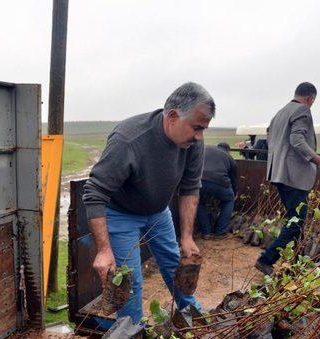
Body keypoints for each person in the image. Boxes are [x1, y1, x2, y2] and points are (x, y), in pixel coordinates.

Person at [82, 82, 215, 324]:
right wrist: (103, 250)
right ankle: (131, 336)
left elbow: (190, 187)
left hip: (158, 212)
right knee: (129, 284)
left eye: (203, 129)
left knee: (176, 264)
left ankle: (195, 317)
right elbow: (94, 192)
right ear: (172, 117)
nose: (199, 136)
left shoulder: (193, 142)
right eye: (196, 128)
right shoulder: (129, 140)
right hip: (120, 213)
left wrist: (186, 236)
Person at [255, 82, 320, 275]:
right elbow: (297, 140)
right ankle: (266, 259)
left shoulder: (281, 112)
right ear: (311, 98)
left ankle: (296, 260)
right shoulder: (302, 110)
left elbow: (271, 138)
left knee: (295, 218)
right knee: (295, 221)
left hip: (279, 173)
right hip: (293, 176)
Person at [196, 142, 237, 240]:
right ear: (228, 150)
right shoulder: (229, 157)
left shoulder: (206, 148)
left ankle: (206, 232)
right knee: (229, 200)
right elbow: (233, 180)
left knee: (198, 202)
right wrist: (235, 193)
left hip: (198, 180)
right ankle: (220, 232)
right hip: (219, 182)